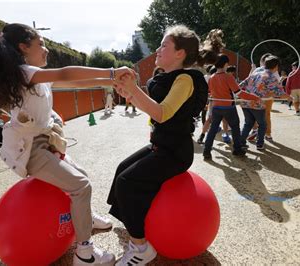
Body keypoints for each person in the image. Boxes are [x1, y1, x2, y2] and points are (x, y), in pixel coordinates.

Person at [0, 23, 135, 266]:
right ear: (23, 47)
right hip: (31, 149)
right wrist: (111, 72)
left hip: (44, 142)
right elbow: (65, 73)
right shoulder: (24, 72)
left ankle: (84, 218)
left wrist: (109, 82)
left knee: (82, 175)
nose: (46, 49)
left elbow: (73, 83)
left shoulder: (32, 75)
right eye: (41, 44)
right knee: (81, 186)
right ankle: (84, 254)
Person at [107, 26, 221, 265]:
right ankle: (133, 225)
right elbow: (151, 109)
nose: (157, 50)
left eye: (163, 46)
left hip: (175, 152)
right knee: (121, 170)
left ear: (180, 53)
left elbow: (162, 113)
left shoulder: (186, 78)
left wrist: (134, 90)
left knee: (128, 183)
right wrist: (129, 92)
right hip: (160, 145)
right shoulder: (164, 77)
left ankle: (141, 248)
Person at [202, 54, 260, 160]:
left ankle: (206, 150)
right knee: (235, 128)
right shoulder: (228, 77)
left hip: (216, 107)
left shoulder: (211, 78)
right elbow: (239, 93)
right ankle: (237, 150)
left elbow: (210, 92)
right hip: (228, 108)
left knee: (213, 129)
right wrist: (255, 98)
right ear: (225, 64)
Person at [239, 55, 290, 150]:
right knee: (262, 124)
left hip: (245, 101)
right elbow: (278, 92)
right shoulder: (270, 77)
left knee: (248, 123)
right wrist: (289, 97)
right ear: (276, 66)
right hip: (257, 104)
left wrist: (236, 90)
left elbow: (244, 82)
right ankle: (260, 144)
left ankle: (241, 142)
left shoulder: (257, 70)